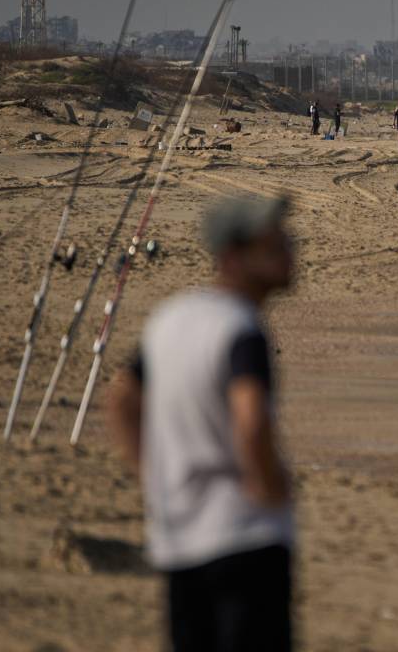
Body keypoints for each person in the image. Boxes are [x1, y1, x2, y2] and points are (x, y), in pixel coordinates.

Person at [108, 195, 296, 652]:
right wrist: (269, 488)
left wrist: (153, 480)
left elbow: (121, 400)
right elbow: (250, 420)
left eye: (285, 238)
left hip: (179, 539)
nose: (289, 248)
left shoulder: (170, 317)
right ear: (233, 257)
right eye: (271, 244)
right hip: (246, 537)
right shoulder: (241, 330)